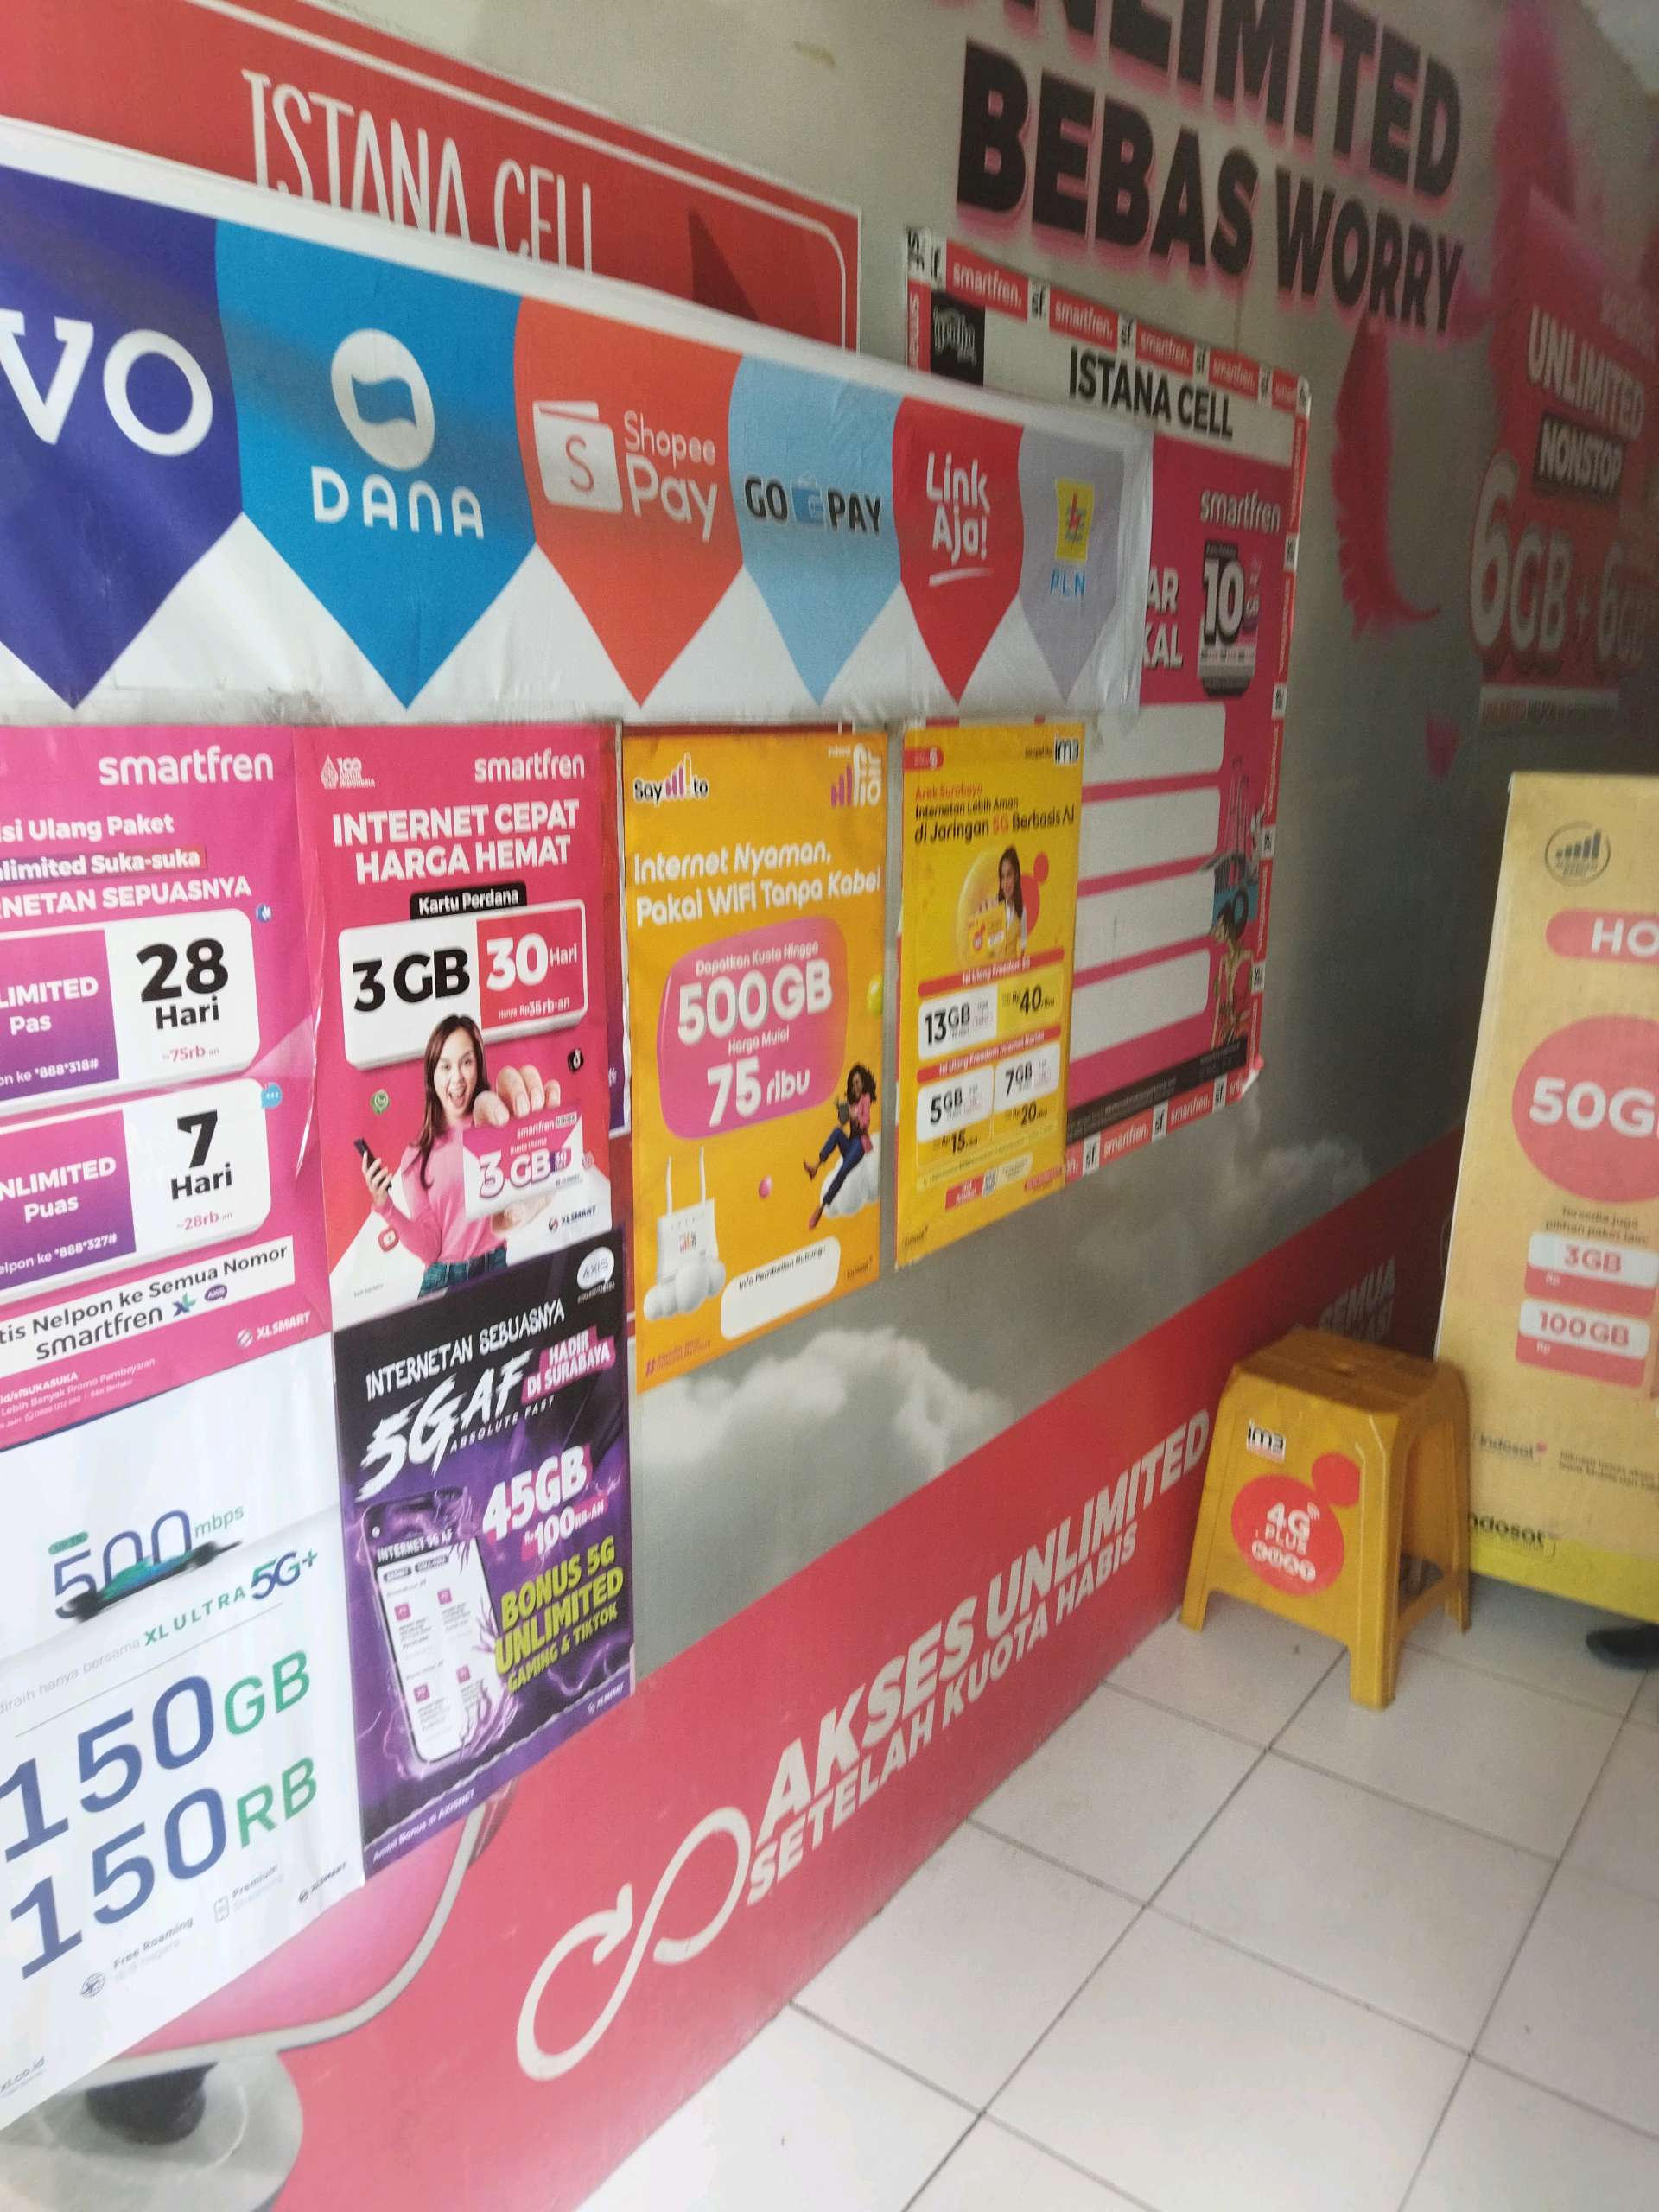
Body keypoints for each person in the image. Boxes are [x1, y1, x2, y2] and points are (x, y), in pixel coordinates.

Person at [359, 1013, 554, 1296]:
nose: (457, 1078)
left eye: (466, 1062)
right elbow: (431, 1249)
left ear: (478, 1065)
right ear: (432, 1075)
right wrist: (386, 1206)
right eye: (445, 1066)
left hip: (494, 1267)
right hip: (443, 1278)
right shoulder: (417, 1156)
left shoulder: (497, 1121)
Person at [804, 1063, 876, 1230]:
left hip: (860, 1144)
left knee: (842, 1172)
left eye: (858, 1082)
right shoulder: (852, 1102)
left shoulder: (865, 1099)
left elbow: (865, 1122)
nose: (855, 1086)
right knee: (837, 1131)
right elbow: (843, 1122)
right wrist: (842, 1110)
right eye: (853, 1083)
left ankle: (821, 1207)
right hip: (851, 1143)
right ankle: (815, 1167)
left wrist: (854, 1114)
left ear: (863, 1083)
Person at [995, 845, 1027, 956]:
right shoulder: (995, 906)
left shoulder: (1022, 911)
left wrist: (1020, 962)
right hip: (994, 966)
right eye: (1002, 877)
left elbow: (1023, 942)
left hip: (1012, 965)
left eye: (1009, 875)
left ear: (1016, 876)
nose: (1005, 884)